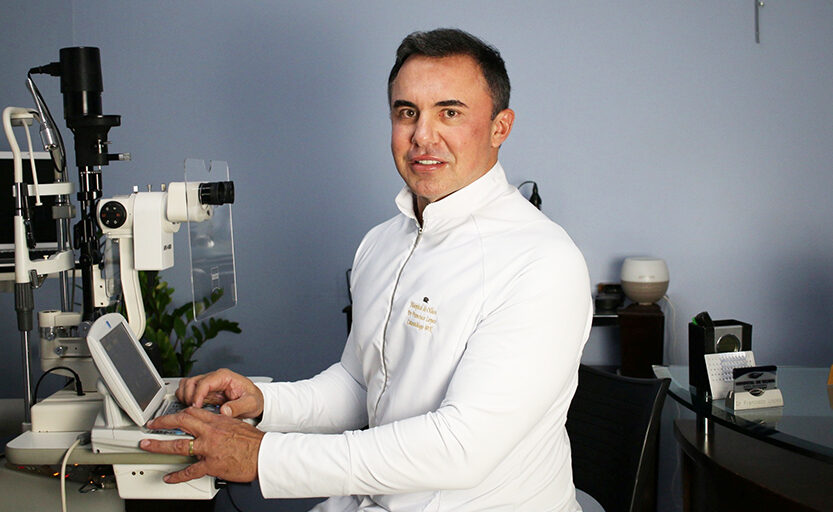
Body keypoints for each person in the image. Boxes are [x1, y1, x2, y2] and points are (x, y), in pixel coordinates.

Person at [140, 28, 593, 511]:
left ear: (500, 127)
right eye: (407, 112)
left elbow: (461, 447)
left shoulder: (543, 262)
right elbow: (361, 385)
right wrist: (267, 403)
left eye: (450, 112)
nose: (423, 136)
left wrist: (264, 456)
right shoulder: (382, 243)